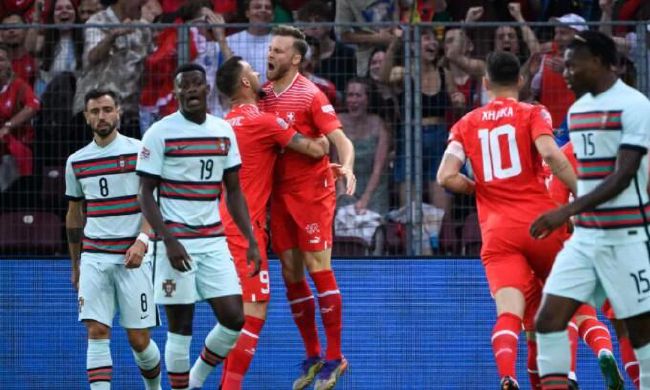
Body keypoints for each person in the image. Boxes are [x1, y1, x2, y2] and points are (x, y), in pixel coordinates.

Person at [437, 50, 578, 389]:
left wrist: (479, 188)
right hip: (541, 224)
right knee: (569, 305)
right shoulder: (533, 112)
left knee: (510, 314)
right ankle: (565, 376)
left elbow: (445, 177)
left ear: (485, 83)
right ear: (520, 80)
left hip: (498, 233)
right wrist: (582, 195)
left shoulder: (465, 123)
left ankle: (506, 374)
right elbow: (549, 153)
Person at [530, 30, 650, 390]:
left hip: (626, 237)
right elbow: (584, 177)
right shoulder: (578, 111)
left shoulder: (636, 107)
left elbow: (623, 174)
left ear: (598, 62)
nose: (564, 73)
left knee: (638, 331)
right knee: (549, 319)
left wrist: (564, 213)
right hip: (585, 239)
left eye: (572, 65)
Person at [136, 63, 261, 390]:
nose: (191, 90)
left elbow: (233, 191)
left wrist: (251, 238)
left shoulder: (223, 130)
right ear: (176, 92)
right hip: (175, 241)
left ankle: (194, 382)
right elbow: (145, 194)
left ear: (207, 89)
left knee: (235, 319)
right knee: (181, 328)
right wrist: (168, 240)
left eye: (196, 84)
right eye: (184, 86)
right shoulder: (160, 132)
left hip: (213, 241)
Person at [215, 56, 331, 390]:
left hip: (222, 226)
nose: (258, 71)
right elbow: (313, 149)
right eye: (251, 69)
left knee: (236, 319)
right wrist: (324, 141)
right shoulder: (263, 122)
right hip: (243, 230)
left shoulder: (224, 124)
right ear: (246, 84)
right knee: (253, 314)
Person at [259, 25, 355, 390]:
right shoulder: (262, 95)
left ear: (296, 58)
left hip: (313, 192)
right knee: (290, 272)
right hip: (278, 194)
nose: (271, 55)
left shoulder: (310, 95)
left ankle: (335, 357)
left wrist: (346, 165)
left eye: (279, 51)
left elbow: (340, 140)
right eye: (270, 49)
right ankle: (313, 355)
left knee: (318, 267)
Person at [64, 89, 161, 390]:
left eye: (107, 109)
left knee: (139, 339)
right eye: (95, 111)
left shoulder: (139, 151)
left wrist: (142, 241)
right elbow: (74, 214)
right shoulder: (76, 162)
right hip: (94, 255)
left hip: (134, 255)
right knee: (96, 330)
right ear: (86, 117)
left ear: (118, 112)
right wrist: (76, 263)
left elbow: (153, 202)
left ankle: (155, 388)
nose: (102, 116)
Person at [73, 0, 153, 139]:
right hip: (98, 111)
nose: (144, 3)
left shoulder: (143, 27)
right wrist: (113, 35)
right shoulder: (97, 21)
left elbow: (152, 62)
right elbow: (92, 57)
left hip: (130, 112)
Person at [226, 0, 274, 83]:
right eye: (257, 7)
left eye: (268, 7)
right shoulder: (230, 41)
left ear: (272, 15)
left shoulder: (283, 42)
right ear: (247, 13)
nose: (263, 10)